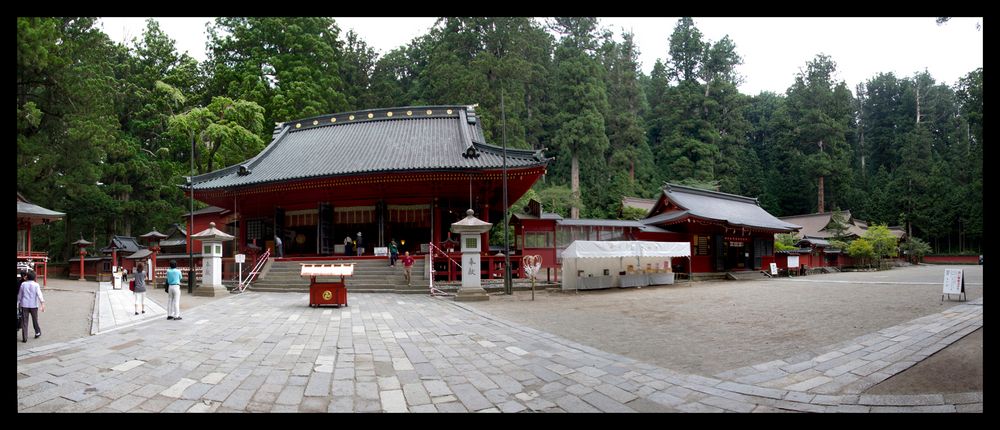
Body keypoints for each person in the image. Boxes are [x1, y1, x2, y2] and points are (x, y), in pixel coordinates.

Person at [18, 271, 44, 342]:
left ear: (27, 277)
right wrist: (42, 303)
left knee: (24, 321)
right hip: (33, 305)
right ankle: (37, 332)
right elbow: (39, 294)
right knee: (35, 320)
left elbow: (20, 295)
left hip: (24, 305)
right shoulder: (36, 285)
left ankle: (24, 337)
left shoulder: (23, 284)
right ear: (34, 277)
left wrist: (18, 302)